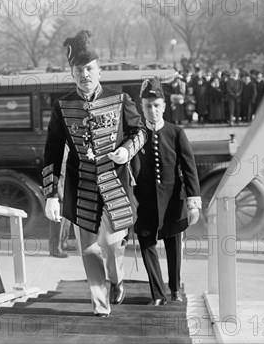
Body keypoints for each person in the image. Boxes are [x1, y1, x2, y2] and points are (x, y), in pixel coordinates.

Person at [42, 30, 146, 317]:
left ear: (99, 71)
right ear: (71, 73)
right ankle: (100, 304)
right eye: (79, 70)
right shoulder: (61, 106)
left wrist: (127, 150)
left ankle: (117, 279)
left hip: (115, 183)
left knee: (113, 246)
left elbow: (141, 131)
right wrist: (52, 194)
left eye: (89, 69)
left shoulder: (121, 98)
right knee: (88, 249)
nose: (85, 74)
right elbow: (52, 153)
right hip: (81, 186)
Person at [132, 78, 202, 306]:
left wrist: (193, 203)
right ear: (142, 108)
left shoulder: (176, 132)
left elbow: (189, 167)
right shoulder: (136, 135)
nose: (152, 111)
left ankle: (175, 290)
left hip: (173, 200)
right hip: (145, 202)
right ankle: (157, 294)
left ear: (164, 107)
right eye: (147, 106)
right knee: (147, 244)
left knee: (174, 248)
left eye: (156, 106)